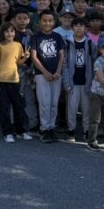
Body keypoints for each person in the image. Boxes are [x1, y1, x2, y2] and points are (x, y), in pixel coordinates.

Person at [30, 10, 65, 142]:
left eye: (50, 21)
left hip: (56, 74)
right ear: (40, 22)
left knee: (54, 102)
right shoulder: (36, 37)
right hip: (41, 74)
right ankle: (44, 128)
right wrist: (45, 72)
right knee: (44, 102)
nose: (47, 23)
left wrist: (58, 71)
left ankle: (51, 127)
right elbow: (34, 57)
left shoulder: (57, 37)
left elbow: (61, 55)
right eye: (44, 20)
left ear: (54, 22)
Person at [0, 23, 31, 142]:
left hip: (15, 80)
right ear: (3, 33)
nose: (10, 34)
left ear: (15, 33)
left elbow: (18, 63)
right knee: (4, 108)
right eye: (7, 31)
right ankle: (7, 133)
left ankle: (21, 131)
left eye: (12, 31)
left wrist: (26, 57)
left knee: (18, 107)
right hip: (1, 81)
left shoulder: (18, 45)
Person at [61, 15, 93, 142]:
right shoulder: (67, 43)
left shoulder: (90, 43)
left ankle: (86, 131)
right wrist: (66, 81)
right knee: (71, 108)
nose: (79, 28)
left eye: (81, 26)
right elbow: (64, 64)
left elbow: (94, 62)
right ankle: (71, 130)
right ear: (72, 28)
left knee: (87, 108)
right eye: (76, 26)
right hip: (72, 80)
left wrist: (93, 81)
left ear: (86, 29)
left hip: (86, 81)